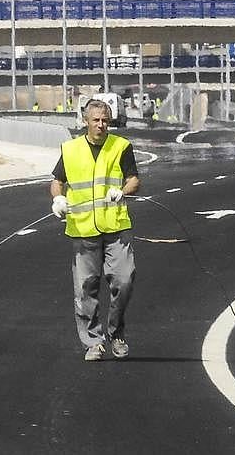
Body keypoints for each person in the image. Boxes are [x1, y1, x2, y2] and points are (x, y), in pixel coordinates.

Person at [48, 99, 140, 361]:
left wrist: (121, 191)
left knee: (123, 280)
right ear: (85, 121)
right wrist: (58, 199)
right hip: (83, 228)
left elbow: (134, 179)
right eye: (96, 120)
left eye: (105, 120)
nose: (101, 125)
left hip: (115, 226)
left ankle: (116, 332)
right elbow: (57, 181)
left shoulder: (121, 147)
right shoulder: (71, 149)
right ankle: (93, 342)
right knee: (86, 288)